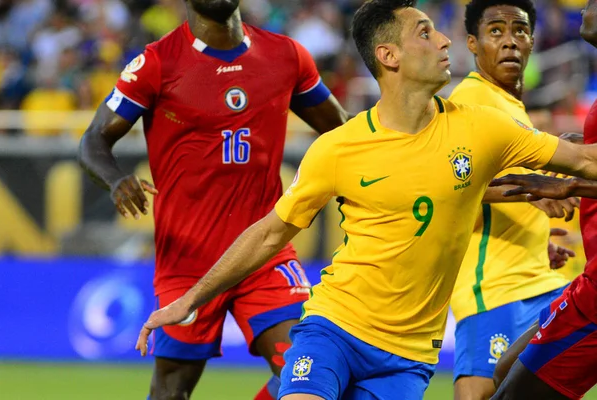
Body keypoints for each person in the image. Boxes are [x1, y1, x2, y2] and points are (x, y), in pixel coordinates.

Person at [134, 1, 597, 399]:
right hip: (334, 328)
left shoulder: (484, 127)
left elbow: (583, 161)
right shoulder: (340, 147)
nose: (445, 42)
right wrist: (190, 299)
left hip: (407, 356)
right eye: (426, 33)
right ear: (388, 55)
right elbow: (271, 231)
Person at [77, 0, 349, 399]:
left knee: (308, 365)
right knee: (171, 390)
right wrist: (116, 180)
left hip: (264, 251)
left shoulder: (286, 55)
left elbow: (341, 132)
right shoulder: (156, 62)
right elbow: (93, 139)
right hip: (187, 261)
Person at [447, 1, 576, 398]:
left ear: (533, 42)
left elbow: (496, 183)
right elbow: (449, 183)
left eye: (519, 31)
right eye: (496, 31)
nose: (509, 42)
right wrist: (531, 193)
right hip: (494, 290)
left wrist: (537, 240)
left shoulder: (512, 108)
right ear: (472, 42)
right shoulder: (470, 100)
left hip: (538, 279)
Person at [488, 2, 597, 398]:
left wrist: (570, 185)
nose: (585, 6)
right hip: (590, 281)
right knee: (504, 371)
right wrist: (582, 150)